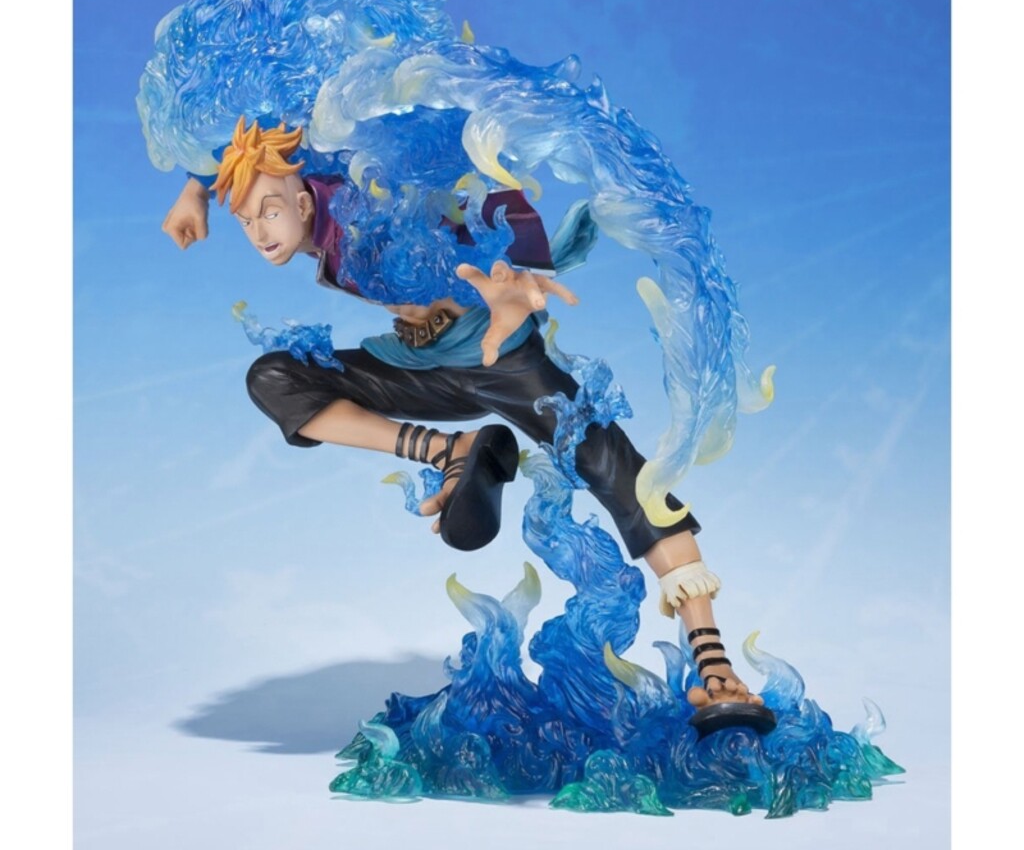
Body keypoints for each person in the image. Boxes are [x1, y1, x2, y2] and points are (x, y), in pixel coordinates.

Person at [162, 115, 775, 736]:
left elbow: (480, 200)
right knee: (275, 377)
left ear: (300, 203)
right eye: (246, 221)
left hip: (500, 357)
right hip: (415, 367)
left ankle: (713, 663)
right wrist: (194, 190)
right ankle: (451, 450)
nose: (259, 233)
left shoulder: (370, 193)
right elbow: (239, 137)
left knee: (620, 473)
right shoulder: (298, 178)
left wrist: (514, 271)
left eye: (269, 213)